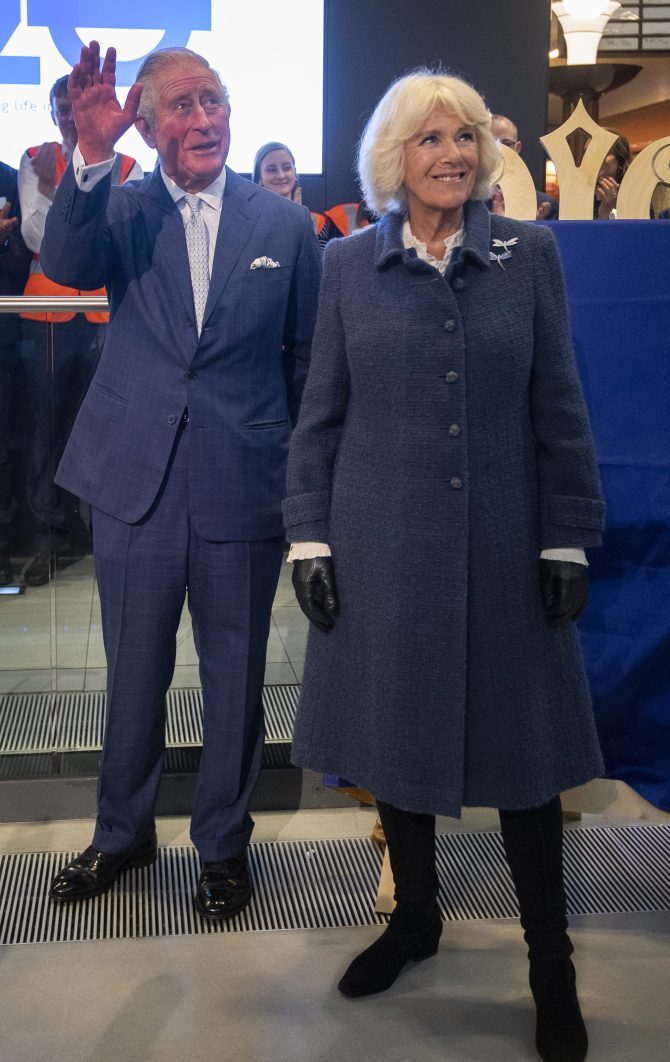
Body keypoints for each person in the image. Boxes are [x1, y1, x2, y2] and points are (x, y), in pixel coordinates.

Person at [283, 70, 605, 1062]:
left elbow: (559, 403)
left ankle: (550, 967)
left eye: (464, 137)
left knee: (526, 764)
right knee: (398, 743)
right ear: (395, 159)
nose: (452, 154)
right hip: (380, 544)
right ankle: (413, 919)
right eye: (430, 140)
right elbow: (319, 417)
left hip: (507, 542)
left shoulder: (529, 256)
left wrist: (564, 533)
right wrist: (308, 536)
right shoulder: (345, 265)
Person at [43, 42, 320, 917]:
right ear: (151, 124)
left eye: (215, 103)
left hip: (244, 478)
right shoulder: (119, 210)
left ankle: (223, 848)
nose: (204, 121)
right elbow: (67, 258)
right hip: (137, 480)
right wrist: (89, 156)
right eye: (184, 107)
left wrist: (305, 479)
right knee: (133, 674)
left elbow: (308, 359)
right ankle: (122, 834)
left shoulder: (282, 224)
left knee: (235, 677)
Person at [18, 75, 142, 587]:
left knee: (103, 430)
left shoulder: (131, 166)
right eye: (61, 108)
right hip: (44, 317)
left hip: (102, 315)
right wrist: (48, 191)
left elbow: (113, 233)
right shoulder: (34, 158)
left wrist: (55, 195)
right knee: (43, 432)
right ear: (52, 113)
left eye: (75, 106)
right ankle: (48, 539)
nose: (70, 115)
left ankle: (100, 534)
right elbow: (35, 236)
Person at [0, 163, 31, 585]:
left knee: (2, 439)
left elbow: (24, 261)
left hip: (4, 325)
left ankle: (2, 547)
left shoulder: (9, 178)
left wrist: (5, 241)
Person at [252, 141, 328, 245]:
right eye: (271, 170)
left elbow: (316, 260)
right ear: (259, 178)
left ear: (295, 172)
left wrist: (299, 220)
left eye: (287, 168)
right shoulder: (249, 220)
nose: (281, 175)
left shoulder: (316, 222)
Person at [490, 113, 559, 220]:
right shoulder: (466, 203)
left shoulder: (543, 204)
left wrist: (533, 228)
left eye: (506, 143)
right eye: (491, 143)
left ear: (517, 148)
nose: (499, 150)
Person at [593, 130, 632, 219]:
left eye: (604, 152)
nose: (595, 158)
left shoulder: (635, 195)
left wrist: (609, 209)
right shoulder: (579, 195)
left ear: (620, 160)